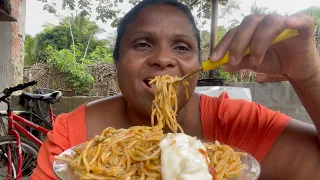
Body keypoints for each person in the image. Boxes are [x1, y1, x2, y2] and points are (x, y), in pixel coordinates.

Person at [31, 0, 320, 179]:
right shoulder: (72, 140)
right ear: (117, 60)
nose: (163, 59)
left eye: (182, 47)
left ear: (198, 62)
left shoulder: (237, 124)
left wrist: (309, 76)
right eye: (142, 44)